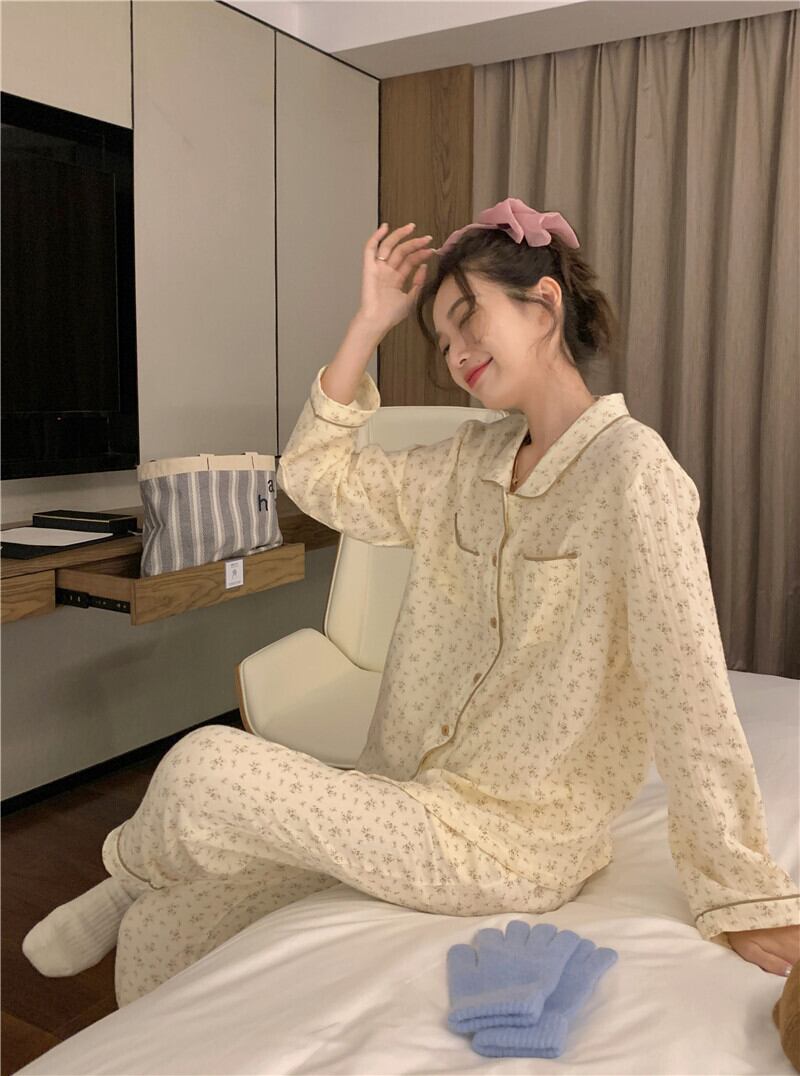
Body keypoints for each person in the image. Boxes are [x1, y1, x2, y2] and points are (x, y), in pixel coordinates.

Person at [22, 199, 798, 1008]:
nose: (456, 354)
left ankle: (125, 872)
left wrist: (742, 894)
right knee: (164, 928)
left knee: (206, 765)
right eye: (441, 340)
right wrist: (368, 324)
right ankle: (141, 915)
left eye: (468, 319)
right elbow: (315, 478)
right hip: (401, 798)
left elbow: (690, 690)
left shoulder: (634, 474)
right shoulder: (466, 461)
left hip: (508, 843)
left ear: (544, 305)